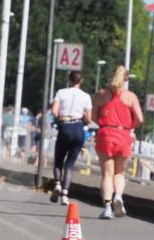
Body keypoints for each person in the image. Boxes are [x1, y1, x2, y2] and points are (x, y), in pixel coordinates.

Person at [93, 66, 143, 219]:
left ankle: (107, 207)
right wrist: (129, 127)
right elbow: (139, 119)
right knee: (119, 173)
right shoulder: (130, 96)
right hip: (123, 135)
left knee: (107, 175)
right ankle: (118, 196)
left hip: (106, 134)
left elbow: (93, 116)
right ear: (126, 79)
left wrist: (104, 124)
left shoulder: (101, 95)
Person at [49, 71, 93, 205]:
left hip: (65, 126)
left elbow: (54, 111)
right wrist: (82, 118)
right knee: (70, 164)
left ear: (69, 80)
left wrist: (61, 118)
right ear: (81, 81)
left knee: (58, 160)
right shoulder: (86, 96)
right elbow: (89, 119)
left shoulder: (61, 92)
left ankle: (57, 184)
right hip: (78, 128)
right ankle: (65, 194)